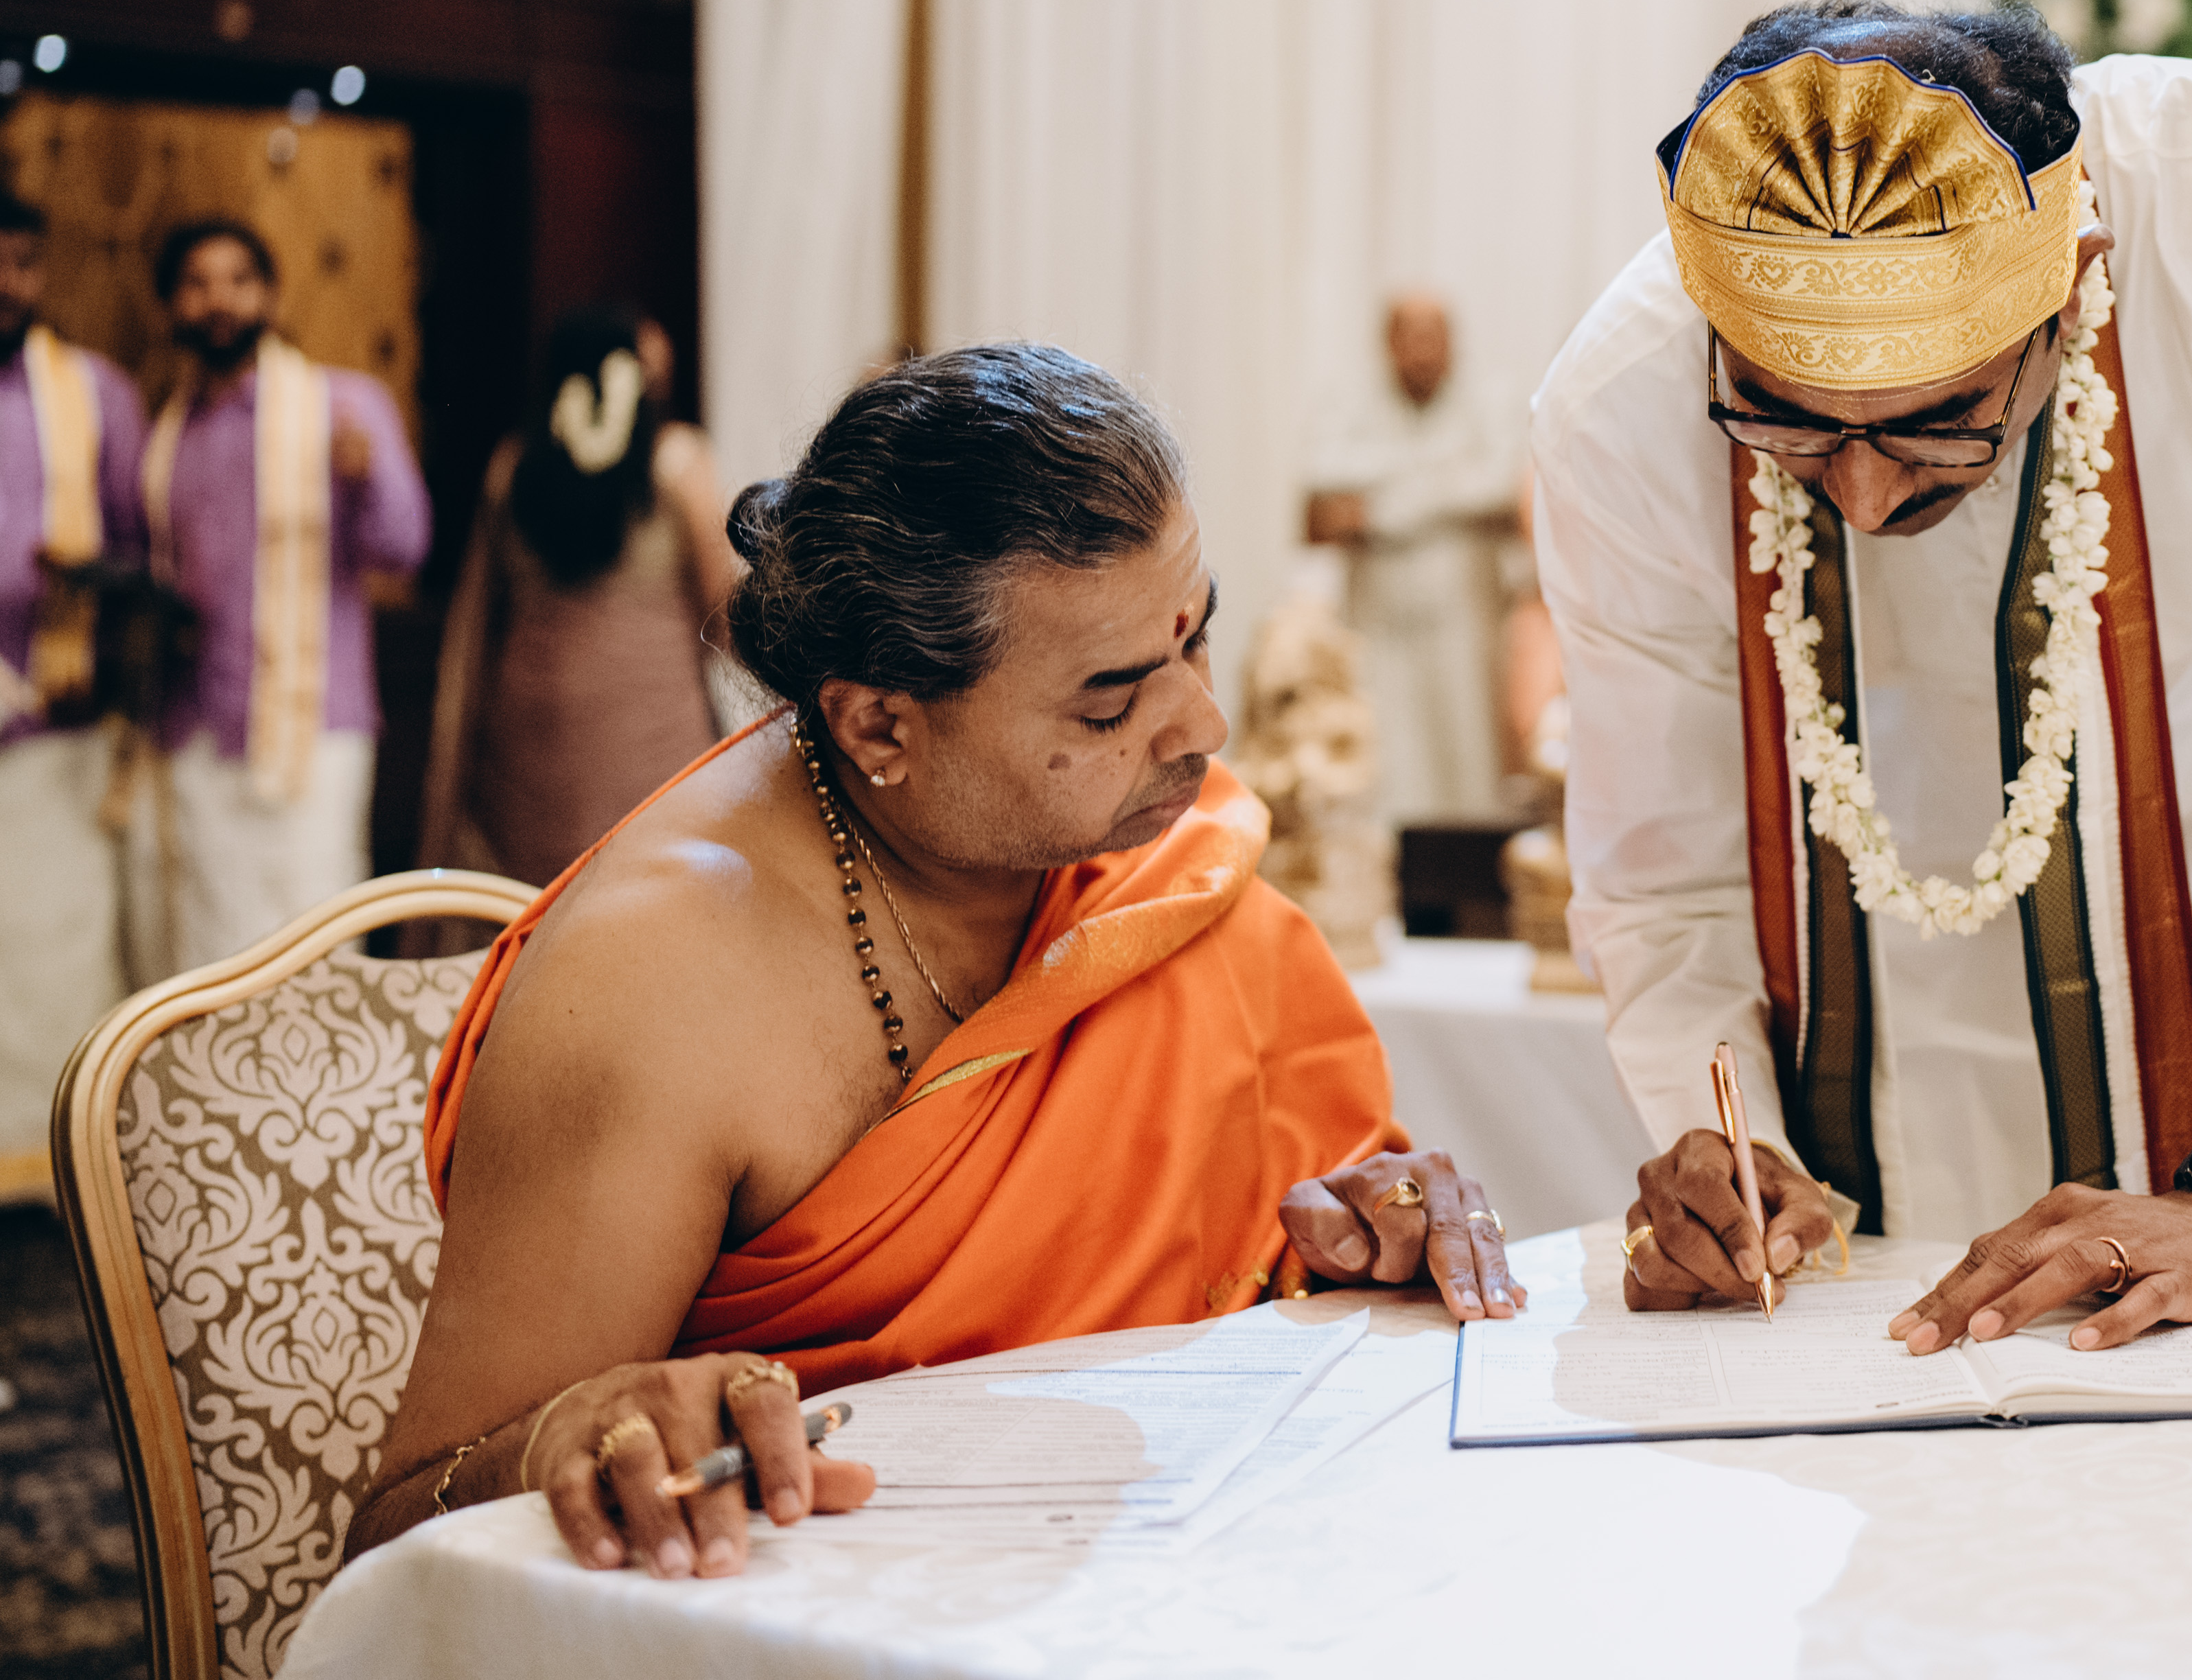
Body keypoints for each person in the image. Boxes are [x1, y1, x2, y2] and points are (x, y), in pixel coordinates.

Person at [353, 345, 1521, 1578]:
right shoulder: (658, 980)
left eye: (1197, 641)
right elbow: (397, 1537)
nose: (1204, 724)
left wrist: (1359, 1234)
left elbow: (1267, 1257)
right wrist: (570, 1441)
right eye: (1109, 705)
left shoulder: (1154, 870)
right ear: (879, 724)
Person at [1531, 0, 2192, 1353]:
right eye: (1790, 427)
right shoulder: (1619, 396)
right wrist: (1728, 1148)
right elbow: (1663, 877)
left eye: (1936, 425)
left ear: (2070, 287)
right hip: (1880, 1085)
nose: (1864, 494)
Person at [134, 218, 431, 973]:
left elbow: (405, 547)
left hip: (314, 726)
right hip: (200, 728)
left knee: (316, 945)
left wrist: (365, 477)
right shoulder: (170, 431)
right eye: (197, 284)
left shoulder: (342, 404)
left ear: (270, 294)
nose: (219, 300)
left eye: (239, 280)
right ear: (170, 305)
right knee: (211, 955)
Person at [421, 307, 737, 893]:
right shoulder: (678, 462)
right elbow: (725, 609)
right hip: (650, 745)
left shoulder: (514, 467)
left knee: (538, 907)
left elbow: (476, 624)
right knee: (645, 898)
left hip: (525, 746)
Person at [0, 190, 146, 1195]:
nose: (4, 284)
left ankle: (51, 1167)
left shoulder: (95, 392)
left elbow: (141, 547)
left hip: (55, 716)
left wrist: (87, 575)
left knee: (56, 946)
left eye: (19, 262)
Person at [1303, 292, 1517, 829]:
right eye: (1410, 336)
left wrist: (1382, 509)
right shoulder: (1347, 406)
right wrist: (1446, 484)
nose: (1423, 351)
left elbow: (1504, 489)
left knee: (1466, 761)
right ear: (1388, 343)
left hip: (1464, 628)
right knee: (1385, 760)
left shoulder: (1490, 402)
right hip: (1378, 629)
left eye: (1434, 336)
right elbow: (1322, 507)